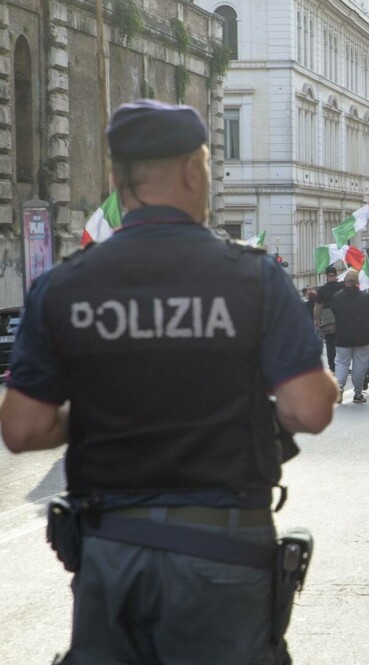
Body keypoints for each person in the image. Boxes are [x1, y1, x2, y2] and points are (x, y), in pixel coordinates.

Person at [0, 100, 339, 665]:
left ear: (117, 179)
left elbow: (22, 427)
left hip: (109, 550)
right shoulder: (253, 277)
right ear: (192, 171)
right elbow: (312, 409)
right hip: (224, 549)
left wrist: (105, 411)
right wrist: (246, 408)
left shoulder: (64, 286)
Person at [330, 269, 369, 403]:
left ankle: (339, 388)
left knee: (341, 363)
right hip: (362, 336)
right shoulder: (365, 297)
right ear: (357, 282)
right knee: (360, 365)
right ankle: (358, 393)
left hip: (343, 335)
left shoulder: (337, 297)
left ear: (345, 281)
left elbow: (334, 313)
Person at [314, 264, 343, 372]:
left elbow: (318, 306)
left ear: (326, 275)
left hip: (328, 320)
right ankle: (343, 365)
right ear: (337, 274)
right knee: (342, 344)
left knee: (330, 344)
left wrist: (316, 319)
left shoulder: (322, 290)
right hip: (342, 319)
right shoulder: (342, 286)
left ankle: (332, 366)